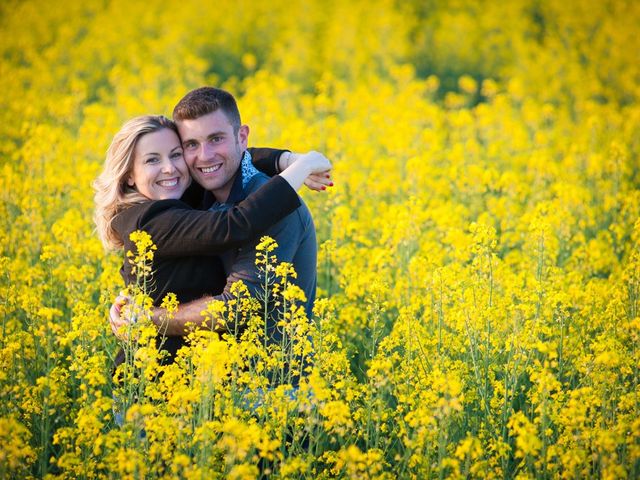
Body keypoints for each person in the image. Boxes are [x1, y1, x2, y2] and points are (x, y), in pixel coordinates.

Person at [109, 87, 324, 383]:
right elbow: (233, 219)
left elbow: (234, 308)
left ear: (242, 137)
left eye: (216, 139)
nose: (203, 156)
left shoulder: (276, 206)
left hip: (269, 388)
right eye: (191, 145)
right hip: (194, 388)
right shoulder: (183, 198)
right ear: (128, 174)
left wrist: (147, 318)